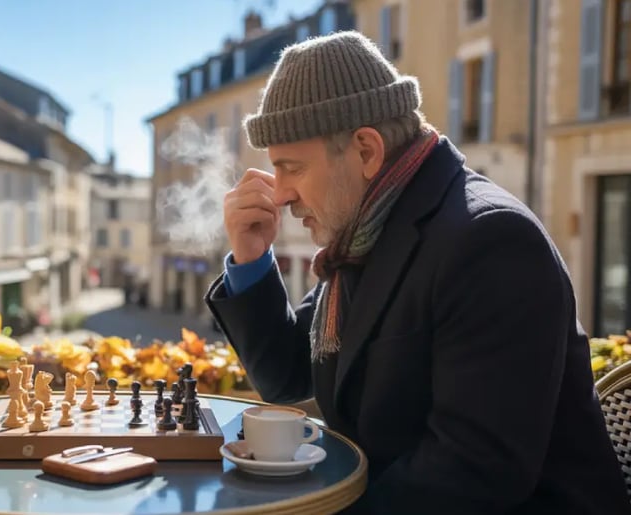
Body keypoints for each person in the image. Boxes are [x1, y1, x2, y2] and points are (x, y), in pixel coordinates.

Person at [207, 31, 629, 514]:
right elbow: (287, 375)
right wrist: (251, 257)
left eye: (292, 168)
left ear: (366, 150)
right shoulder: (367, 232)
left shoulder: (489, 241)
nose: (279, 194)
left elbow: (474, 473)